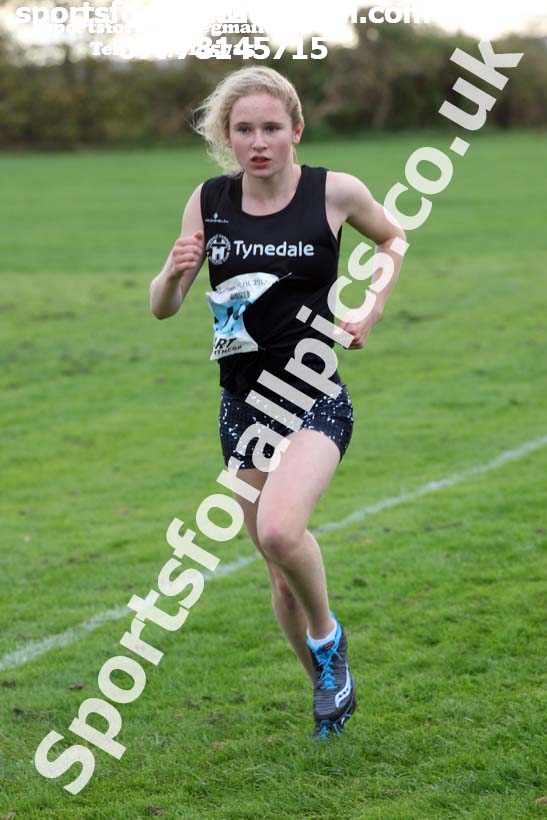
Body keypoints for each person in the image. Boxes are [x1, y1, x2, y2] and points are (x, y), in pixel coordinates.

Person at [149, 66, 406, 740]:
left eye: (270, 128)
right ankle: (328, 689)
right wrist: (174, 272)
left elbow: (391, 239)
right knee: (278, 577)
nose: (257, 141)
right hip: (242, 406)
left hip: (313, 393)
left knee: (279, 532)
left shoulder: (335, 192)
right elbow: (162, 307)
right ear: (226, 138)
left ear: (295, 130)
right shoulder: (209, 200)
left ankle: (328, 642)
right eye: (243, 130)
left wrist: (371, 308)